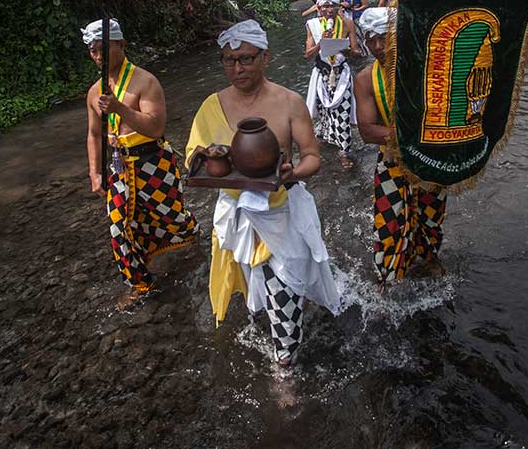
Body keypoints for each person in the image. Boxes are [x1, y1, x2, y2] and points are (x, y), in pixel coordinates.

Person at [187, 20, 341, 366]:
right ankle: (276, 329)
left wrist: (292, 172)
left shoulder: (289, 102)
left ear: (265, 57)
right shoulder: (212, 104)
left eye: (246, 59)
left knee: (283, 286)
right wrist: (207, 153)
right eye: (229, 60)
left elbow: (313, 157)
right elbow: (192, 154)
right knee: (251, 287)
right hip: (236, 214)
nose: (237, 68)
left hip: (281, 212)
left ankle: (285, 363)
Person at [83, 19, 198, 307]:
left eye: (104, 49)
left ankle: (194, 238)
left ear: (121, 45)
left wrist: (120, 108)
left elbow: (156, 127)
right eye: (93, 51)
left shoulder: (145, 82)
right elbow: (94, 133)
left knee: (172, 219)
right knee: (119, 228)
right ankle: (140, 284)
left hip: (153, 163)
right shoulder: (94, 91)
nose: (98, 56)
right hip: (120, 168)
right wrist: (95, 173)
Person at [354, 8, 447, 287]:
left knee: (431, 215)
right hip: (393, 158)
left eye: (385, 38)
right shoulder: (365, 79)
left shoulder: (427, 68)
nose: (379, 47)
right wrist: (413, 137)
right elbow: (368, 131)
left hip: (430, 158)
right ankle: (388, 274)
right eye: (371, 40)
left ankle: (428, 257)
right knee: (389, 220)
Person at [305, 0, 360, 169]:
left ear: (338, 7)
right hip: (322, 74)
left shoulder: (347, 23)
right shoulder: (312, 24)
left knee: (343, 111)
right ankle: (325, 137)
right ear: (319, 8)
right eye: (326, 6)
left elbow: (357, 54)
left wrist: (346, 50)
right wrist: (322, 43)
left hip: (341, 72)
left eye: (333, 6)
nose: (329, 10)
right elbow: (307, 55)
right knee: (324, 112)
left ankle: (344, 150)